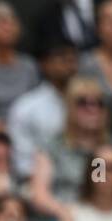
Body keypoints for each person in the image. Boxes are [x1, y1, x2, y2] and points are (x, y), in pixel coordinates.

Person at [27, 76, 112, 220]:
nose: (92, 109)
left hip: (106, 219)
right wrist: (71, 217)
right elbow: (40, 196)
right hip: (60, 218)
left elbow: (103, 189)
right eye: (83, 102)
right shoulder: (52, 146)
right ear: (69, 107)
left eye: (99, 103)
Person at [6, 35, 80, 179]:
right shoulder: (26, 107)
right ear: (44, 64)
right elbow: (22, 162)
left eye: (73, 58)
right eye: (62, 56)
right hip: (40, 185)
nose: (69, 63)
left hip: (86, 187)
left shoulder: (92, 104)